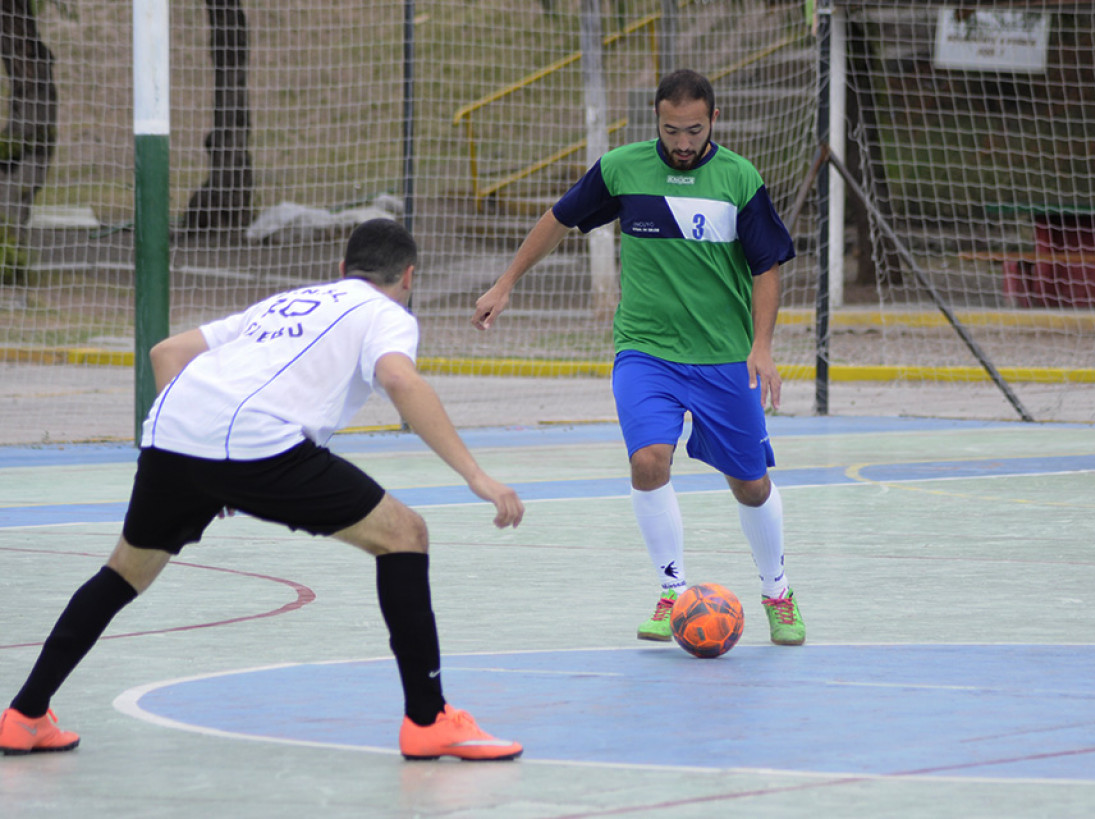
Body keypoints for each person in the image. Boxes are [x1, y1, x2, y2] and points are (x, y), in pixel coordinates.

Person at [1, 218, 526, 761]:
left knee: (122, 574)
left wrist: (209, 456)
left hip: (172, 433)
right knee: (405, 534)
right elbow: (399, 379)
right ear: (409, 276)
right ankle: (429, 720)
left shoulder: (285, 303)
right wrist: (475, 475)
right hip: (255, 442)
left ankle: (25, 715)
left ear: (342, 269)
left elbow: (166, 353)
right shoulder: (385, 313)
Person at [472, 69, 804, 647]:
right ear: (656, 120)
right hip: (645, 350)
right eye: (671, 130)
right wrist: (506, 283)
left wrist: (763, 347)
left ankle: (777, 591)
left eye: (693, 131)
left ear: (713, 122)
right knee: (648, 461)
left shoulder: (739, 180)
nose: (681, 143)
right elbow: (559, 219)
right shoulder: (622, 169)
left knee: (750, 485)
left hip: (724, 356)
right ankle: (672, 591)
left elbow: (766, 268)